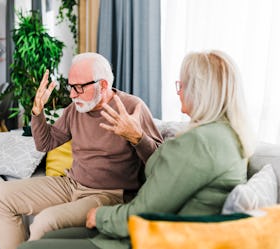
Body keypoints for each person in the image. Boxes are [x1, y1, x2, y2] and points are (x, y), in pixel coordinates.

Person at [17, 50, 256, 249]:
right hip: (87, 193)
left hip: (133, 221)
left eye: (181, 85)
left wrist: (137, 138)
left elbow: (151, 192)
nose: (178, 91)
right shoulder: (228, 136)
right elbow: (161, 171)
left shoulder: (197, 140)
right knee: (37, 228)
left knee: (38, 237)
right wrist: (37, 113)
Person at [0, 52, 163, 249]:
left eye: (78, 88)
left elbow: (162, 164)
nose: (72, 95)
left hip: (109, 195)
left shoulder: (132, 107)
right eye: (71, 87)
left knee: (45, 221)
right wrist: (37, 112)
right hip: (71, 184)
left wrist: (137, 137)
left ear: (102, 85)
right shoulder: (75, 109)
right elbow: (46, 144)